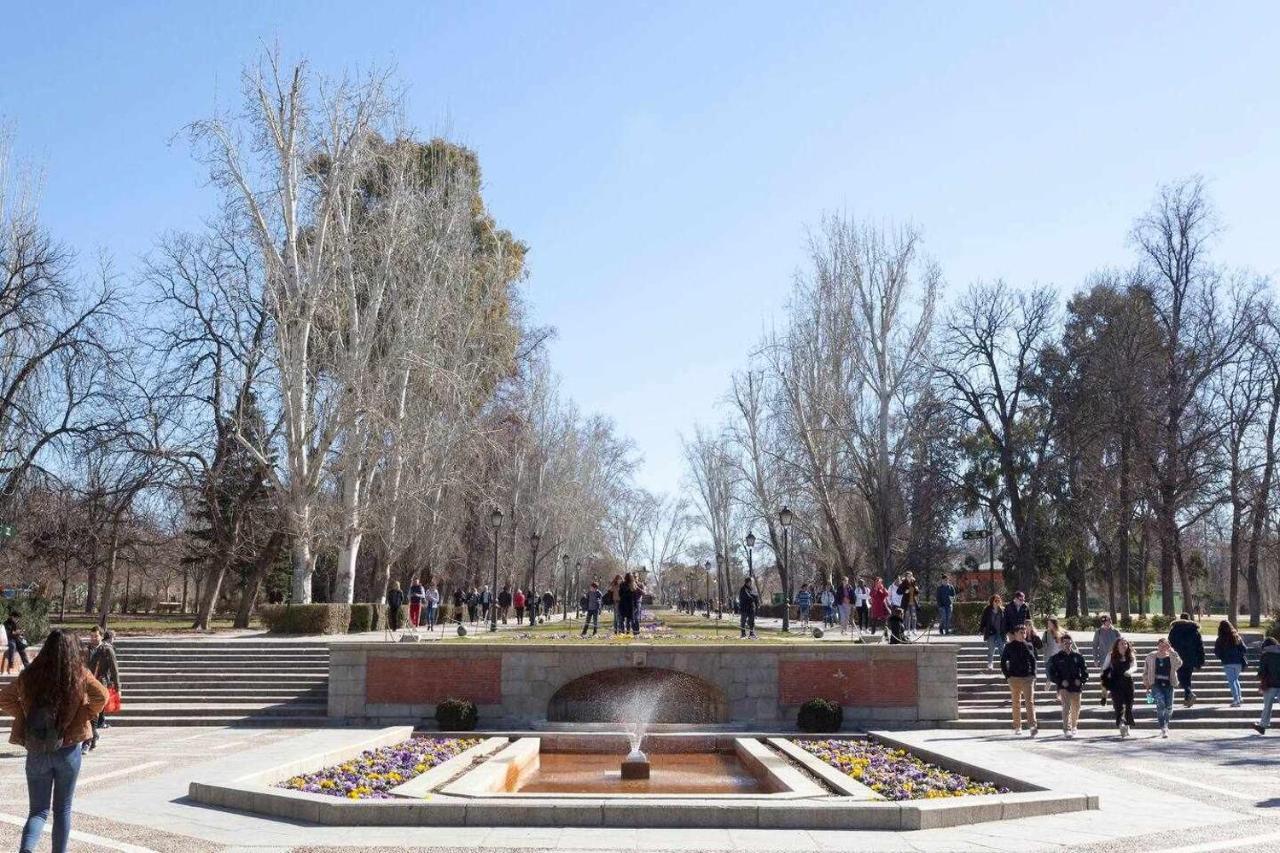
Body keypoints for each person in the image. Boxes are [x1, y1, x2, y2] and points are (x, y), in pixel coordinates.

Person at [0, 629, 109, 853]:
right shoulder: (79, 673)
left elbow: (4, 698)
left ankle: (26, 851)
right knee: (63, 809)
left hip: (37, 747)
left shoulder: (31, 674)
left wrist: (24, 714)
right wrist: (83, 714)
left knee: (38, 811)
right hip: (68, 748)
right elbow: (102, 696)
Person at [1000, 623, 1039, 737]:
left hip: (1028, 678)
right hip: (1014, 678)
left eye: (1025, 632)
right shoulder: (1009, 646)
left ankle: (1032, 726)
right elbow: (1003, 662)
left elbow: (1033, 661)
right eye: (1021, 633)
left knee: (1030, 702)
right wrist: (1008, 676)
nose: (1023, 634)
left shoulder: (1029, 645)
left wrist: (1033, 674)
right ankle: (1017, 726)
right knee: (1016, 703)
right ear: (1015, 634)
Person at [85, 628, 120, 752]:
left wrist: (117, 687)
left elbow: (114, 669)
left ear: (101, 636)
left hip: (101, 684)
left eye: (96, 636)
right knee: (87, 712)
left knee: (95, 713)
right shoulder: (87, 649)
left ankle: (89, 741)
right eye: (91, 636)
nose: (93, 638)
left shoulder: (107, 650)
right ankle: (92, 737)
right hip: (87, 684)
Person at [1047, 633, 1087, 738]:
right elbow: (1051, 674)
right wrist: (1060, 682)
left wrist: (1081, 681)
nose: (1068, 645)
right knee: (1066, 707)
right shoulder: (1056, 658)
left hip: (1076, 686)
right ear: (1061, 644)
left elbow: (1085, 672)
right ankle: (1066, 729)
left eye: (1069, 643)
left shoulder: (1078, 657)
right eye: (1065, 643)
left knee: (1076, 707)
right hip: (1064, 687)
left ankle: (1074, 726)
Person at [1143, 637, 1183, 738]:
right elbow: (1146, 672)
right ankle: (1163, 727)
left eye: (1165, 645)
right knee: (1160, 704)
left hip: (1169, 684)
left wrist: (1172, 652)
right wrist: (1147, 685)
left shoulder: (1172, 656)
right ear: (1157, 646)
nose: (1162, 647)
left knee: (1169, 708)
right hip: (1155, 684)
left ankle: (1166, 724)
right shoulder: (1151, 656)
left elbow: (1179, 664)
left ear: (1168, 646)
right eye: (1160, 645)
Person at [1102, 637, 1137, 738]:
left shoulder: (1130, 655)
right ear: (1117, 645)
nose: (1124, 645)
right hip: (1115, 683)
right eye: (1122, 643)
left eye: (1125, 643)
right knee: (1118, 705)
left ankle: (1127, 725)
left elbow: (1134, 666)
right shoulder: (1111, 655)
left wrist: (1129, 671)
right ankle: (1121, 724)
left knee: (1129, 706)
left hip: (1128, 683)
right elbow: (1105, 667)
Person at [1168, 612, 1205, 706]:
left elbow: (1169, 644)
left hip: (1178, 658)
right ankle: (1187, 699)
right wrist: (1201, 660)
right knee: (1188, 679)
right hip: (1191, 658)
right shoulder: (1194, 630)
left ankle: (1189, 693)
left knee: (1180, 678)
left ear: (1180, 618)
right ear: (1189, 619)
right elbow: (1200, 646)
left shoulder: (1174, 630)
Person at [1213, 620, 1247, 708]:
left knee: (1232, 681)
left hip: (1228, 662)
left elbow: (1216, 651)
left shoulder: (1220, 639)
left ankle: (1236, 700)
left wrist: (1222, 657)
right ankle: (1239, 697)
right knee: (1235, 680)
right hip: (1238, 662)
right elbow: (1244, 649)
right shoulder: (1236, 637)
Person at [1253, 636, 1280, 734]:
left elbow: (1262, 671)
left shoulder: (1266, 655)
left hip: (1270, 684)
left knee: (1267, 706)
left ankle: (1262, 725)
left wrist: (1260, 679)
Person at [1092, 615, 1121, 705]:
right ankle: (1104, 696)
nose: (1107, 623)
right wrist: (1095, 659)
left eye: (1109, 621)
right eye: (1105, 622)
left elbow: (1121, 644)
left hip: (1115, 659)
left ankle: (1115, 697)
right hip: (1103, 659)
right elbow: (1094, 646)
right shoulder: (1099, 632)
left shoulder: (1116, 632)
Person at [980, 595, 1006, 671]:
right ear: (992, 601)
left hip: (1000, 633)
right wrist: (981, 630)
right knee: (991, 649)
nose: (997, 602)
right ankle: (990, 663)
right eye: (995, 600)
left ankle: (1003, 664)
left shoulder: (1002, 610)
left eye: (998, 600)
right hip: (991, 632)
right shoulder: (987, 610)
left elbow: (1005, 622)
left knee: (1002, 649)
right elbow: (983, 621)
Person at [1042, 618, 1063, 690]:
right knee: (1049, 672)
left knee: (1060, 676)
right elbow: (1042, 643)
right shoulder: (1046, 633)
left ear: (1054, 624)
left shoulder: (1062, 632)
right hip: (1049, 656)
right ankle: (1049, 680)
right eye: (1048, 623)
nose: (1048, 625)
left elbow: (1069, 642)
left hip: (1059, 657)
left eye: (1049, 623)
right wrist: (1045, 646)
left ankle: (1059, 694)